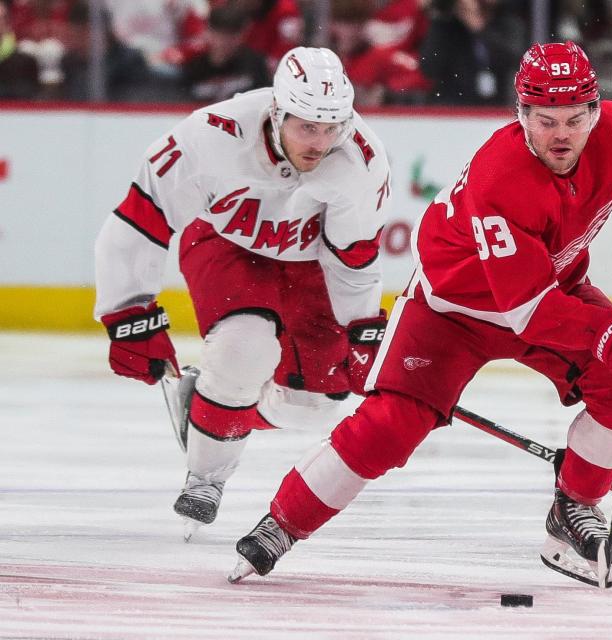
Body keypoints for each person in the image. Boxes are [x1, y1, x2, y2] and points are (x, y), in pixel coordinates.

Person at [228, 41, 612, 588]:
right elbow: (529, 311)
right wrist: (611, 337)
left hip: (549, 291)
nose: (561, 135)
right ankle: (283, 524)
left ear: (596, 113)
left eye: (575, 120)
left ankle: (573, 508)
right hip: (451, 312)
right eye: (545, 120)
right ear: (522, 115)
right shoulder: (501, 179)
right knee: (391, 426)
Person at [93, 46, 392, 541]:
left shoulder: (361, 159)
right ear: (277, 112)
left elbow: (353, 259)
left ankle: (209, 409)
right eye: (307, 127)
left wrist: (362, 331)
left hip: (311, 265)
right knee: (242, 352)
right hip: (225, 246)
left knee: (313, 405)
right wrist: (127, 313)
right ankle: (206, 478)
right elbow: (140, 218)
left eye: (331, 127)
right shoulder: (210, 134)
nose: (320, 142)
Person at [181, 4, 270, 103]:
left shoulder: (254, 65)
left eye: (231, 35)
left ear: (242, 34)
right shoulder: (194, 67)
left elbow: (266, 101)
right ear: (208, 32)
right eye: (219, 34)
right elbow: (182, 101)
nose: (224, 42)